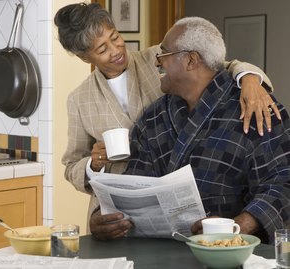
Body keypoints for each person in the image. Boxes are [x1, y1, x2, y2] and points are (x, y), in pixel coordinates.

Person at [54, 2, 279, 234]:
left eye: (115, 37)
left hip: (184, 195)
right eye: (102, 49)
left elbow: (214, 64)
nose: (116, 50)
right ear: (85, 58)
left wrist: (250, 78)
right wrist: (94, 164)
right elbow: (72, 164)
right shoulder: (79, 99)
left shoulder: (159, 57)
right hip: (119, 209)